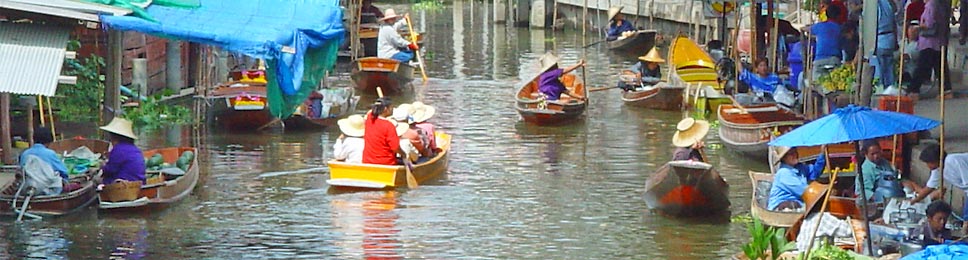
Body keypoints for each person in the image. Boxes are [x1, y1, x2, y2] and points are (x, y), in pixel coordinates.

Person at [913, 144, 968, 231]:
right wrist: (914, 201)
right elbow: (929, 187)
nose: (928, 166)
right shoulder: (938, 170)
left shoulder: (953, 161)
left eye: (928, 163)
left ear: (935, 160)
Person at [908, 0, 952, 100]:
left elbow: (929, 23)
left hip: (929, 41)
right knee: (939, 66)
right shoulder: (936, 4)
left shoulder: (931, 5)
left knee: (922, 67)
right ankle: (946, 89)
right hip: (936, 41)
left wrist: (917, 28)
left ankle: (913, 90)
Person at [768, 146, 827, 210]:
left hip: (799, 203)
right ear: (784, 158)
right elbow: (804, 191)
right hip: (782, 206)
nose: (795, 155)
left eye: (795, 152)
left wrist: (822, 154)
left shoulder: (800, 167)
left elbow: (815, 172)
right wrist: (825, 191)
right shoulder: (784, 173)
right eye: (791, 154)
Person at [100, 117, 146, 184]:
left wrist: (102, 167)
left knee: (97, 181)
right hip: (139, 183)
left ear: (115, 137)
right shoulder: (135, 149)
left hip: (124, 184)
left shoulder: (118, 149)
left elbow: (110, 170)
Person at [807, 5, 843, 82]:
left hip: (820, 60)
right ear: (838, 16)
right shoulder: (840, 28)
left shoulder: (819, 26)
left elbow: (806, 29)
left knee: (815, 82)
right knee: (835, 84)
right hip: (835, 60)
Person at [363, 97, 403, 165]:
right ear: (385, 109)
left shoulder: (369, 119)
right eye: (391, 107)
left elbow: (370, 112)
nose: (392, 109)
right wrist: (404, 154)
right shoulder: (389, 126)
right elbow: (395, 147)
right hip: (386, 162)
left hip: (367, 161)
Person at [873, 0, 898, 90]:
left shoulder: (874, 6)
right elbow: (894, 23)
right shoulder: (889, 4)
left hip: (879, 39)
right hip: (890, 37)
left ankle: (882, 88)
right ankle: (890, 87)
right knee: (889, 66)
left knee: (881, 67)